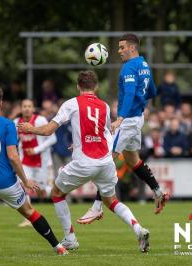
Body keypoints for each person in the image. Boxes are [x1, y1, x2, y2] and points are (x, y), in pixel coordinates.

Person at [18, 70, 150, 253]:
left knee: (57, 193)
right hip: (105, 162)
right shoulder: (104, 106)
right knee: (111, 200)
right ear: (95, 87)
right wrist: (78, 142)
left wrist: (31, 128)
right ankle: (138, 229)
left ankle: (70, 238)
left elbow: (49, 130)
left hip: (84, 163)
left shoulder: (71, 104)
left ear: (78, 86)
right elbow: (103, 133)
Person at [0, 85, 68, 258]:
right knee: (30, 212)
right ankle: (58, 246)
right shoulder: (7, 124)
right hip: (6, 182)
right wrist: (25, 180)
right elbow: (14, 157)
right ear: (0, 103)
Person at [78, 34, 169, 225]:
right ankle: (158, 191)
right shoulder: (144, 65)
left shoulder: (129, 67)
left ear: (132, 48)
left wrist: (120, 117)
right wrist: (140, 102)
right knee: (132, 160)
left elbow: (128, 93)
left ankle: (96, 207)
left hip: (127, 121)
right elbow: (152, 91)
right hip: (138, 118)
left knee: (106, 158)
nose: (119, 51)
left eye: (122, 48)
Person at [14, 99, 57, 227]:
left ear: (33, 108)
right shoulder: (16, 123)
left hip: (41, 162)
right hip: (25, 161)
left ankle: (59, 195)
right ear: (21, 109)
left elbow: (53, 138)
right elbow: (14, 141)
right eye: (24, 106)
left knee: (42, 191)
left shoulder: (40, 120)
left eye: (29, 106)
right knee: (23, 185)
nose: (27, 108)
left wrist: (36, 149)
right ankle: (28, 217)